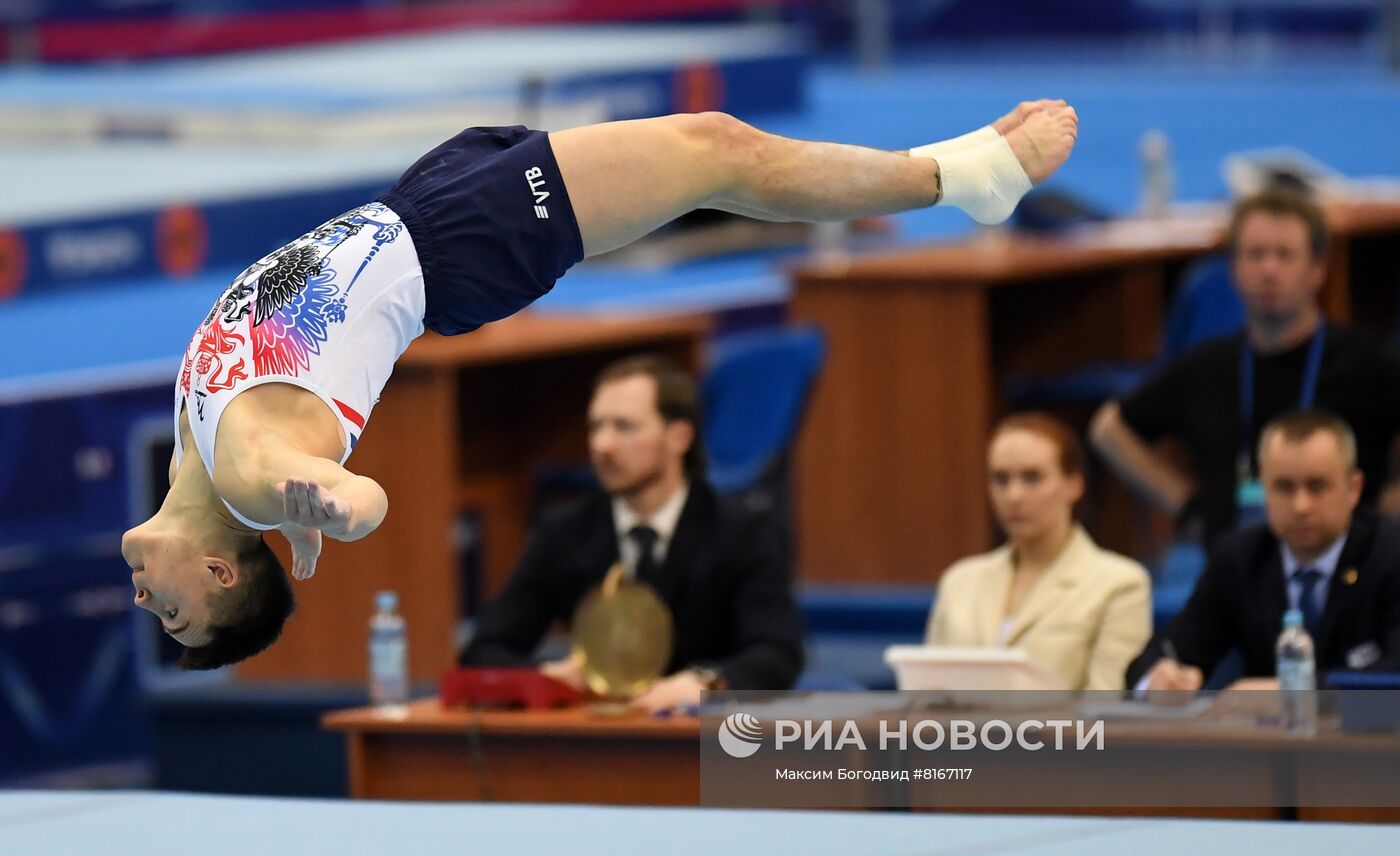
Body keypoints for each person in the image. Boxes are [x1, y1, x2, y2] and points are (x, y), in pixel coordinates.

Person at [120, 100, 1080, 670]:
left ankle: (960, 168)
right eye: (172, 610)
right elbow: (357, 496)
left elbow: (268, 438)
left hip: (425, 197)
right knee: (713, 151)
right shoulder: (253, 472)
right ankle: (965, 179)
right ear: (216, 572)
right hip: (460, 245)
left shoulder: (207, 456)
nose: (143, 600)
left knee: (718, 161)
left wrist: (291, 512)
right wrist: (331, 505)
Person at [458, 355, 803, 711]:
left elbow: (777, 653)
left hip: (709, 740)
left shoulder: (742, 531)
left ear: (679, 437)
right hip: (594, 742)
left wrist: (705, 681)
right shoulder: (564, 531)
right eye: (596, 427)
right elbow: (484, 651)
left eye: (624, 427)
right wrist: (545, 678)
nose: (602, 445)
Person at [1090, 187, 1400, 547]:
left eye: (1285, 255)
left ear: (1317, 269)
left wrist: (1385, 513)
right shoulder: (1206, 367)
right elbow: (1108, 430)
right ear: (1234, 270)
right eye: (1255, 255)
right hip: (1235, 570)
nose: (1269, 270)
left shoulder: (1370, 362)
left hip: (1347, 565)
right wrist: (1188, 507)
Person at [1128, 410, 1400, 692]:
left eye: (1317, 486)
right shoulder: (1240, 557)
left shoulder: (1390, 553)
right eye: (1284, 487)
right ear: (1263, 488)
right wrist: (1156, 680)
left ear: (1354, 488)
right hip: (1270, 736)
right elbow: (1169, 651)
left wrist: (1295, 693)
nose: (1301, 506)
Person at [926, 413, 1151, 690]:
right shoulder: (959, 581)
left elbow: (1105, 708)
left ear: (1073, 485)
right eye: (1001, 479)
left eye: (1032, 478)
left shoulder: (1119, 584)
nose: (1013, 496)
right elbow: (925, 695)